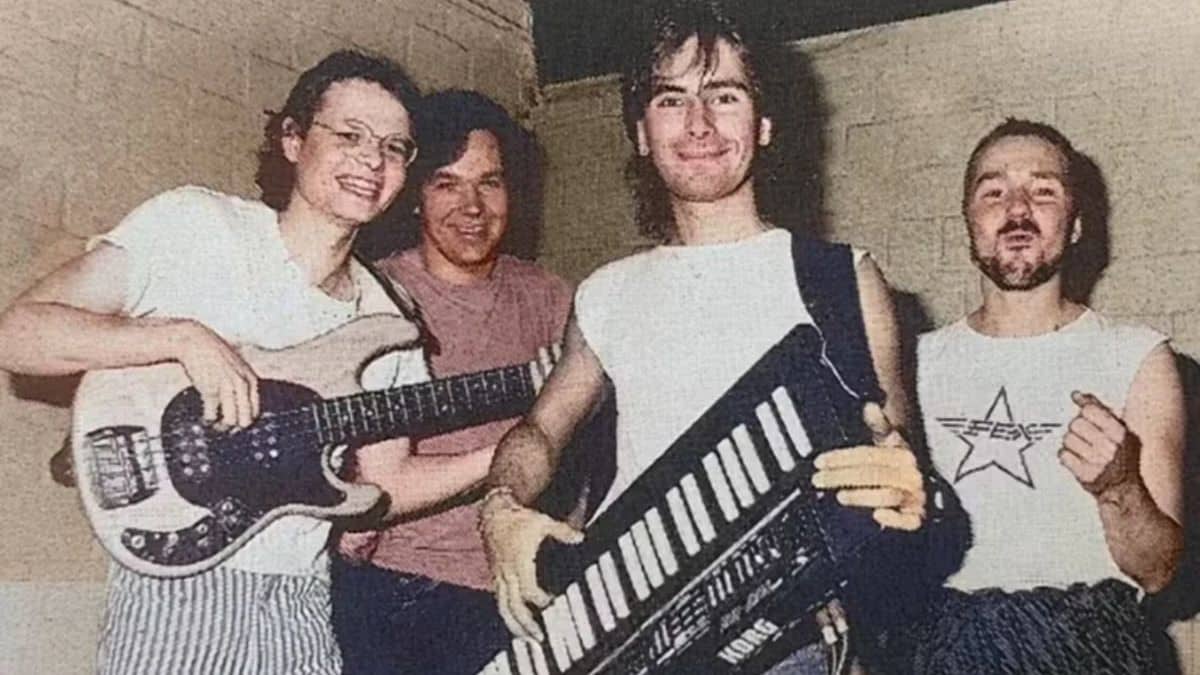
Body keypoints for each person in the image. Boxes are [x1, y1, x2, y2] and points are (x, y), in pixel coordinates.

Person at [476, 2, 928, 672]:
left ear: (765, 122)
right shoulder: (606, 290)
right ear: (639, 132)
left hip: (783, 637)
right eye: (671, 99)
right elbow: (541, 431)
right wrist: (499, 508)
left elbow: (902, 455)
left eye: (724, 95)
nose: (699, 124)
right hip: (627, 624)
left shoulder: (840, 278)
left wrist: (904, 488)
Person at [0, 50, 436, 674]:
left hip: (300, 603)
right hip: (175, 592)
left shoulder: (388, 319)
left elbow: (387, 482)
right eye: (350, 136)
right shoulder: (198, 226)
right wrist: (182, 338)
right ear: (292, 139)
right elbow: (17, 334)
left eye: (395, 147)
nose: (373, 160)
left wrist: (516, 448)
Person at [909, 118, 1185, 674]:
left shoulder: (1136, 356)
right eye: (993, 192)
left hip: (1090, 648)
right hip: (944, 648)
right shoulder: (912, 364)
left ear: (1076, 225)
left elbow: (1159, 570)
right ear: (969, 221)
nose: (1016, 209)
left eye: (1043, 190)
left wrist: (1118, 485)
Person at [331, 90, 574, 675]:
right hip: (402, 587)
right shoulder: (373, 295)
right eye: (447, 183)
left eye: (489, 183)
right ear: (414, 195)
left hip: (523, 584)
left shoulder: (551, 298)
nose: (472, 206)